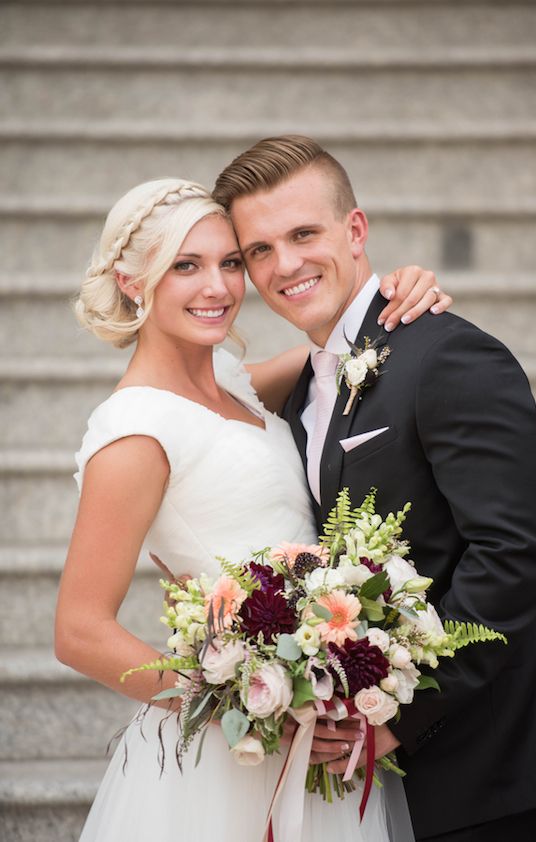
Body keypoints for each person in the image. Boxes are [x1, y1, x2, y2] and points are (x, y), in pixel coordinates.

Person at [54, 177, 453, 842]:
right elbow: (79, 630)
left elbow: (339, 348)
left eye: (230, 263)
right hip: (236, 744)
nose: (218, 288)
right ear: (131, 281)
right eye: (186, 266)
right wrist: (239, 696)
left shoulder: (236, 381)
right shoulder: (134, 431)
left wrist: (399, 289)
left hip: (315, 712)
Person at [213, 135, 536, 841]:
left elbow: (517, 552)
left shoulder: (448, 355)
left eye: (304, 233)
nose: (285, 265)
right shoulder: (300, 389)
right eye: (260, 250)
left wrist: (400, 716)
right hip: (371, 779)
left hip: (481, 768)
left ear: (356, 229)